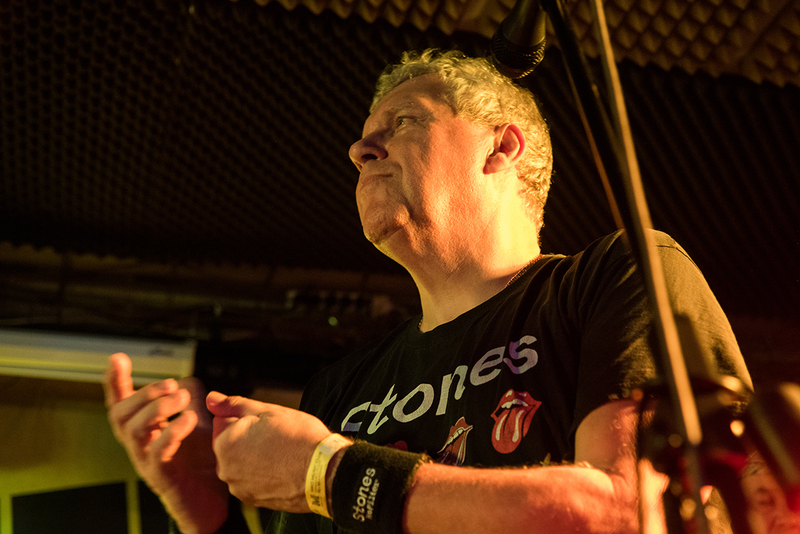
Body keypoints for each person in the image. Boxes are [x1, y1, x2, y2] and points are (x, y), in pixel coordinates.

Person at [104, 49, 752, 534]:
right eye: (366, 134)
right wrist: (203, 511)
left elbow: (635, 514)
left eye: (404, 121)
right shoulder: (340, 389)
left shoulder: (616, 276)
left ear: (501, 148)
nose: (361, 149)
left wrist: (330, 471)